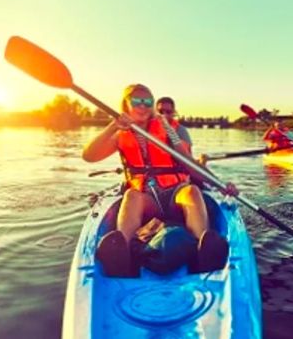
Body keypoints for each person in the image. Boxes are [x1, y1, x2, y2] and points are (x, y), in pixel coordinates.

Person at [83, 83, 238, 277]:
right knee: (131, 195)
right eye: (137, 101)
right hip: (147, 199)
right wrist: (113, 125)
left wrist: (220, 185)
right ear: (126, 104)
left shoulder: (166, 128)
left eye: (148, 101)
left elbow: (189, 162)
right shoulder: (118, 134)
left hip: (174, 194)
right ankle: (123, 251)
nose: (143, 105)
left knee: (192, 192)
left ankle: (202, 247)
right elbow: (89, 156)